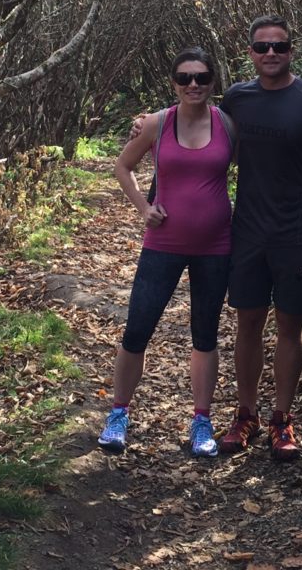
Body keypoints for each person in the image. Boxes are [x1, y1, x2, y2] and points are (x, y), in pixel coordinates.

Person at [97, 47, 236, 458]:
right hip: (163, 244)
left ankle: (201, 421)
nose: (193, 84)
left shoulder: (227, 124)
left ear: (212, 81)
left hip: (216, 246)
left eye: (201, 77)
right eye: (184, 77)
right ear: (174, 82)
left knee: (205, 335)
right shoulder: (159, 123)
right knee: (137, 329)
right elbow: (123, 167)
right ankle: (118, 415)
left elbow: (256, 168)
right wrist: (144, 208)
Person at [217, 14, 302, 461]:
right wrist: (147, 125)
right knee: (247, 323)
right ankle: (245, 415)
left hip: (295, 234)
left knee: (290, 325)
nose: (271, 54)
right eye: (262, 47)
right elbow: (199, 133)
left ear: (292, 50)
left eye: (280, 46)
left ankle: (282, 419)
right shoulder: (236, 99)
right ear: (250, 52)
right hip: (247, 231)